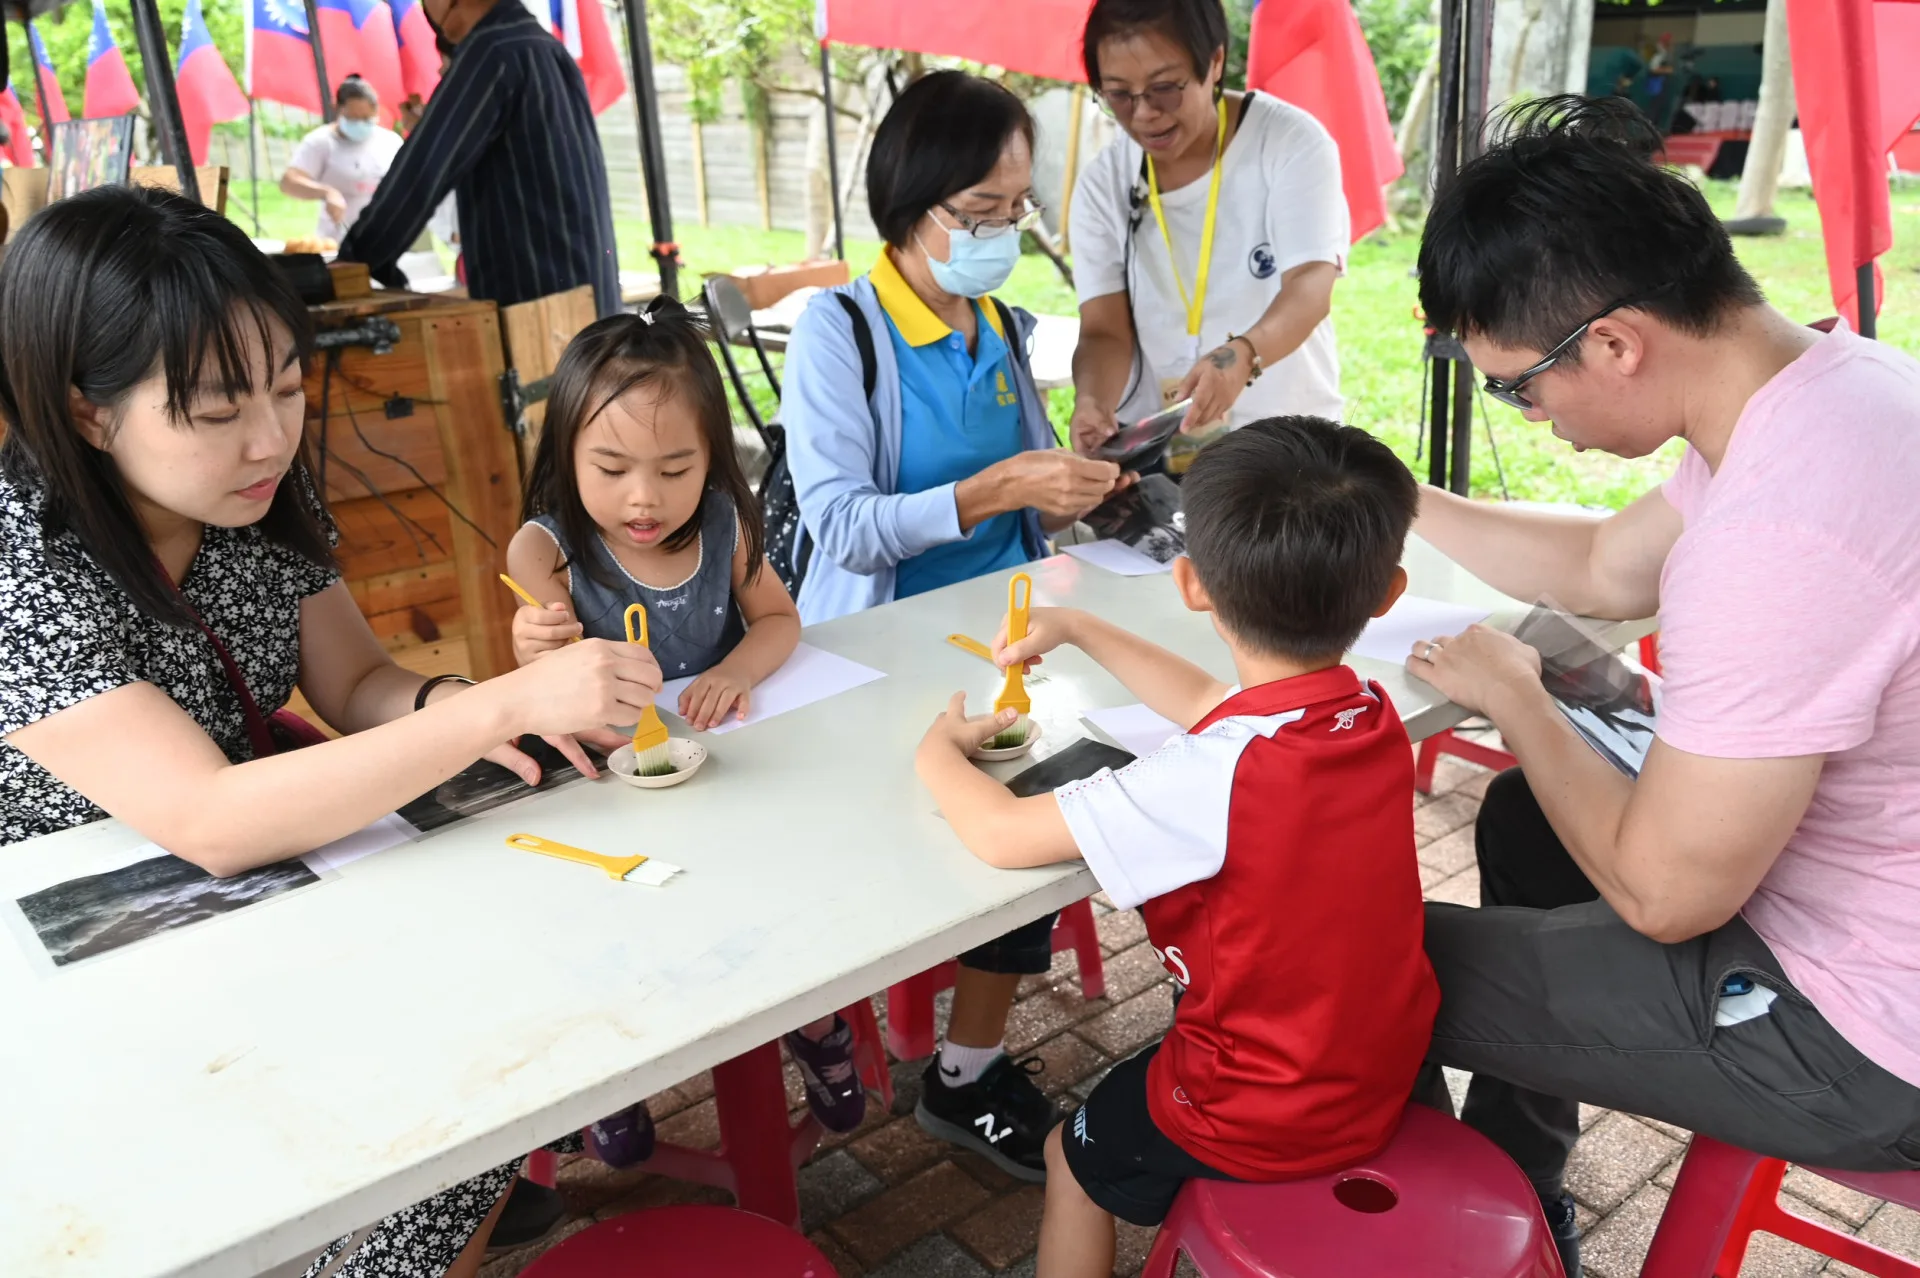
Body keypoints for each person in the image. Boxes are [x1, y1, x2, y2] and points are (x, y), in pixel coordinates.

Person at [0, 186, 660, 1275]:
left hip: (256, 903)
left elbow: (353, 678)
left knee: (492, 1088)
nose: (269, 435)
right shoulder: (23, 565)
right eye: (216, 409)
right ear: (86, 411)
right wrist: (501, 705)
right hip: (80, 972)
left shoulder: (251, 493)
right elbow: (208, 817)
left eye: (287, 386)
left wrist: (462, 716)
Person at [1404, 96, 1920, 1278]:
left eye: (1517, 388)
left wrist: (1520, 694)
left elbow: (1664, 895)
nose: (1529, 418)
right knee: (1528, 820)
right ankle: (1519, 1182)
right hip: (1860, 889)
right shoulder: (1816, 390)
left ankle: (1446, 1242)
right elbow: (1599, 562)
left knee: (1358, 954)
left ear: (1616, 343)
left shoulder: (1786, 531)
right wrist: (1401, 499)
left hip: (1863, 1026)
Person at [916, 418, 1439, 1277]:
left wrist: (936, 750)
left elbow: (1003, 835)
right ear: (1386, 591)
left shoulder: (1213, 780)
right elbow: (1211, 703)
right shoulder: (1364, 715)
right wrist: (1080, 629)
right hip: (1377, 1064)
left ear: (1190, 584)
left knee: (1070, 1161)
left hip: (1256, 1106)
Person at [779, 70, 1127, 1181]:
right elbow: (840, 526)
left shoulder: (1002, 326)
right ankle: (877, 1032)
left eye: (1014, 210)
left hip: (1003, 631)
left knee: (1052, 807)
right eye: (977, 214)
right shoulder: (842, 332)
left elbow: (1033, 475)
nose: (998, 235)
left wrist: (1078, 477)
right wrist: (994, 490)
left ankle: (965, 1069)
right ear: (911, 202)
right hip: (881, 650)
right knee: (992, 822)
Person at [505, 298, 868, 1149]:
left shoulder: (724, 526)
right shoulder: (548, 549)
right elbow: (538, 653)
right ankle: (612, 1076)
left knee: (780, 895)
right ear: (567, 456)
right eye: (612, 467)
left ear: (711, 456)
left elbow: (780, 621)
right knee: (610, 929)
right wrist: (538, 641)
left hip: (726, 774)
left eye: (675, 469)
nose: (644, 498)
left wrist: (735, 670)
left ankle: (815, 1028)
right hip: (610, 794)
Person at [1066, 0, 1346, 465]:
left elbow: (1311, 285)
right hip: (1159, 452)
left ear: (1214, 62)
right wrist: (1093, 401)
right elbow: (1103, 331)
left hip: (1287, 447)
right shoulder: (1104, 181)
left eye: (1164, 89)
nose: (1144, 114)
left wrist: (1244, 354)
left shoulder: (1290, 143)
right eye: (1118, 94)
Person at [336, 0, 619, 315]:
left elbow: (421, 173)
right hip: (585, 301)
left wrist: (352, 264)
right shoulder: (542, 45)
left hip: (539, 312)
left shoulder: (491, 51)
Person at [280, 76, 404, 244]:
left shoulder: (391, 142)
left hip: (385, 239)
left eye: (366, 118)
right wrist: (326, 192)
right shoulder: (320, 142)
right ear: (338, 110)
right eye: (353, 118)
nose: (360, 123)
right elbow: (289, 182)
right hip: (338, 240)